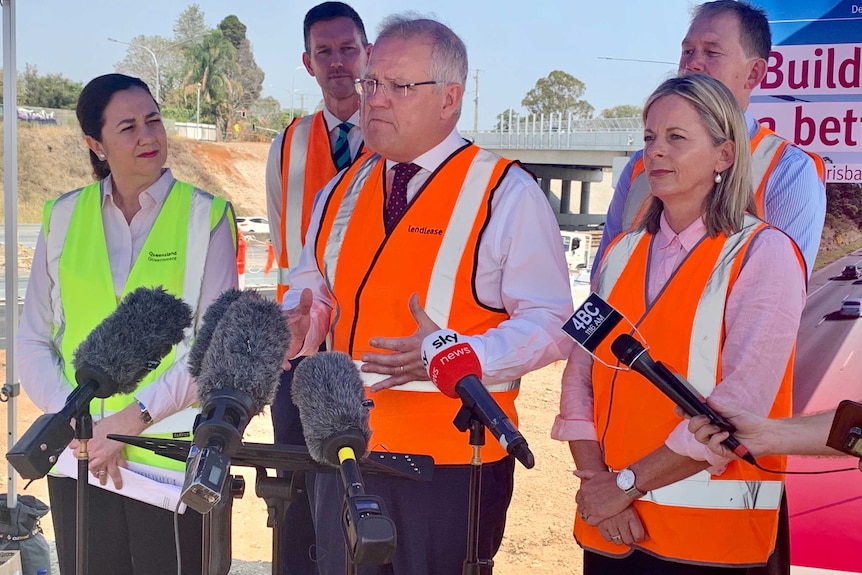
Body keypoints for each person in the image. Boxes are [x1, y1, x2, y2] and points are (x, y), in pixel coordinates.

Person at [281, 15, 573, 575]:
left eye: (398, 87)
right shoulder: (339, 191)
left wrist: (459, 355)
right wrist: (302, 323)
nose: (375, 101)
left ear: (450, 98)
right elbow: (313, 288)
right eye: (372, 84)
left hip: (451, 464)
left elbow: (553, 321)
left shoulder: (507, 193)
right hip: (344, 453)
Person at [552, 74, 806, 574]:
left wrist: (622, 485)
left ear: (725, 156)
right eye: (649, 137)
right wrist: (594, 481)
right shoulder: (619, 255)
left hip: (711, 544)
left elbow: (738, 409)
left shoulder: (765, 254)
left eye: (676, 138)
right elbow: (578, 378)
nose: (656, 152)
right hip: (611, 530)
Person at [16, 73, 238, 575]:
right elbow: (33, 337)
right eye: (129, 127)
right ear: (95, 144)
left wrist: (128, 422)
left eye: (154, 120)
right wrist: (76, 424)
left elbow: (214, 349)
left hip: (169, 456)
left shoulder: (208, 217)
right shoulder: (62, 217)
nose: (148, 136)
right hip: (79, 456)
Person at [595, 0, 825, 279]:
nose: (693, 64)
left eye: (711, 52)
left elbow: (778, 300)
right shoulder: (639, 167)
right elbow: (602, 285)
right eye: (687, 51)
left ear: (754, 73)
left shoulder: (788, 172)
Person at [264, 3, 371, 572]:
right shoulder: (286, 145)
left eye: (347, 48)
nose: (337, 63)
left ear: (367, 52)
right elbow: (286, 249)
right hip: (302, 350)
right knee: (296, 485)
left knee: (365, 483)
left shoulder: (400, 136)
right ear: (308, 63)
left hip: (369, 348)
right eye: (324, 52)